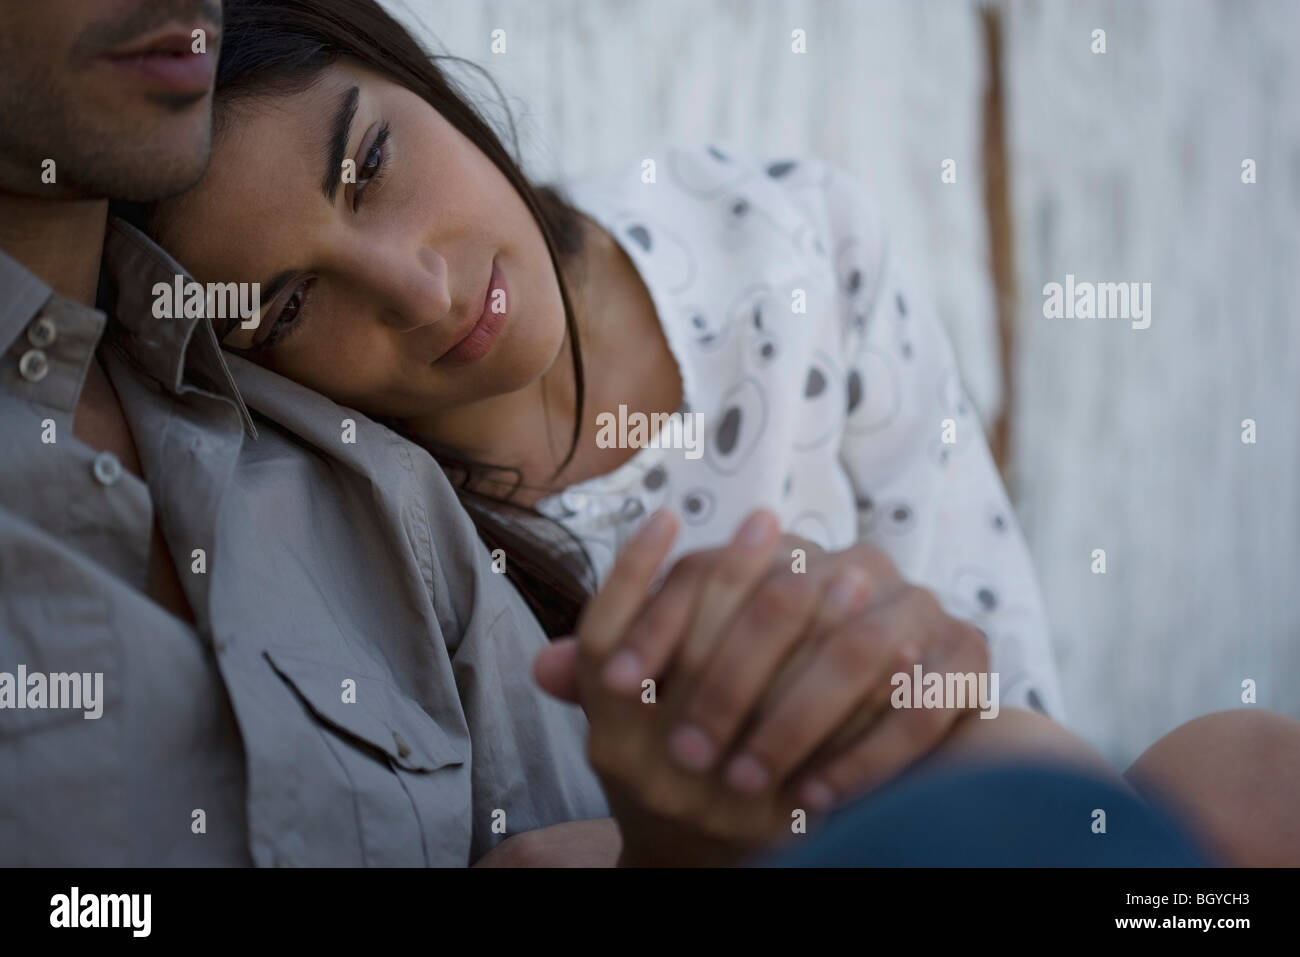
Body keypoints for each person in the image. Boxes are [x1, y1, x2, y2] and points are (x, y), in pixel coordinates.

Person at [132, 0, 1300, 868]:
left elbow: (1000, 687)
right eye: (290, 307)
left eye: (370, 165)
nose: (420, 291)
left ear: (405, 65)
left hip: (963, 822)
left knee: (1252, 770)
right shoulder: (359, 513)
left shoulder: (786, 245)